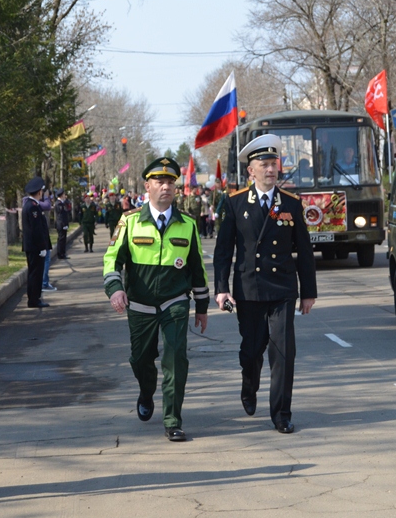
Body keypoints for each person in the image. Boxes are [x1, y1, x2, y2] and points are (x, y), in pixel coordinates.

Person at [214, 134, 318, 434]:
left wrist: (308, 292)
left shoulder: (291, 204)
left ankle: (281, 413)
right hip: (249, 289)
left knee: (284, 352)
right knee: (251, 351)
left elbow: (305, 251)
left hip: (282, 289)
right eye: (264, 164)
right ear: (251, 171)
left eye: (274, 163)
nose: (271, 169)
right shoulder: (234, 204)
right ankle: (250, 383)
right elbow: (224, 252)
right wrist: (221, 289)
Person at [103, 157, 210, 442]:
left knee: (176, 360)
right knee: (141, 360)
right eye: (159, 181)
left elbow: (197, 269)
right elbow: (112, 259)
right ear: (147, 186)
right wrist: (115, 288)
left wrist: (201, 307)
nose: (166, 186)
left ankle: (173, 420)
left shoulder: (188, 224)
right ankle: (146, 391)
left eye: (171, 182)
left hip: (175, 303)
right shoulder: (129, 221)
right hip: (139, 305)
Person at [22, 177, 52, 308]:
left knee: (34, 272)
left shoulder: (32, 205)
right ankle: (34, 299)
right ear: (39, 192)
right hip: (35, 247)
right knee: (36, 273)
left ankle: (33, 298)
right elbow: (36, 230)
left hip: (33, 246)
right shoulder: (32, 207)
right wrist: (42, 247)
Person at [54, 189, 70, 260]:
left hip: (63, 223)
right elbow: (60, 216)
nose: (65, 195)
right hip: (61, 224)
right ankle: (60, 254)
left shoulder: (63, 203)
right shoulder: (58, 204)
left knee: (63, 239)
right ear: (61, 195)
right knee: (61, 239)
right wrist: (64, 224)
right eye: (64, 194)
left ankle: (62, 253)